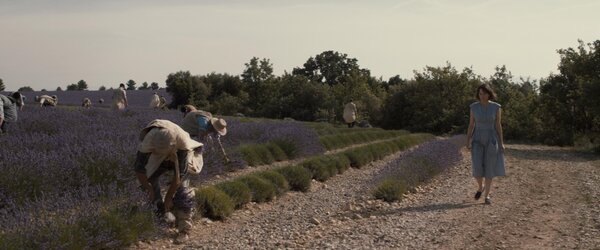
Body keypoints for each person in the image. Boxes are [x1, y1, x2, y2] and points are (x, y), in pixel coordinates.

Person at [134, 119, 204, 243]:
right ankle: (160, 213)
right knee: (147, 181)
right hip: (158, 155)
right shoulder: (149, 140)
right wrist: (148, 187)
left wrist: (169, 197)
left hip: (179, 154)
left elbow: (179, 176)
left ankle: (184, 229)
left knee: (183, 192)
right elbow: (139, 169)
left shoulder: (182, 142)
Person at [466, 84, 505, 205]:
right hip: (477, 138)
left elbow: (498, 125)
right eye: (480, 94)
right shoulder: (473, 107)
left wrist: (501, 142)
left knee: (489, 168)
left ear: (489, 94)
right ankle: (480, 186)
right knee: (477, 167)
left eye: (484, 93)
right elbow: (471, 124)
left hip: (491, 139)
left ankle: (487, 196)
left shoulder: (496, 107)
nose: (482, 96)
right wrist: (468, 140)